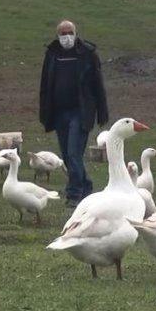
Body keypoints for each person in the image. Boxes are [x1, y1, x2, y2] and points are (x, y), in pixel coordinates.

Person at [38, 20, 109, 206]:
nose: (66, 37)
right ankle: (85, 186)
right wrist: (44, 112)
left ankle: (74, 193)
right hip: (60, 112)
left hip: (81, 112)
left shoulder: (87, 54)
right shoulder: (52, 54)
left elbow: (98, 85)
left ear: (75, 33)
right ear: (57, 35)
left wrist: (102, 112)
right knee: (67, 153)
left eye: (70, 32)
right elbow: (45, 84)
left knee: (73, 152)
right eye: (63, 33)